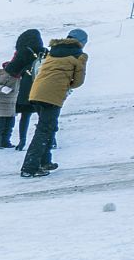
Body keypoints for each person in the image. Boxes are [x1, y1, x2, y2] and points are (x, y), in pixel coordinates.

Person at [21, 30, 88, 178]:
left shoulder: (54, 51)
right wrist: (66, 83)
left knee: (48, 128)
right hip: (51, 96)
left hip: (36, 92)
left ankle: (45, 161)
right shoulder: (78, 55)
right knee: (44, 130)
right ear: (82, 42)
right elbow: (78, 82)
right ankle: (30, 167)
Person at [3, 29, 46, 150]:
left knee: (25, 116)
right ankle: (50, 140)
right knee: (43, 116)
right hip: (42, 86)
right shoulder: (45, 51)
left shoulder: (23, 52)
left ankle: (22, 142)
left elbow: (11, 70)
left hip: (27, 87)